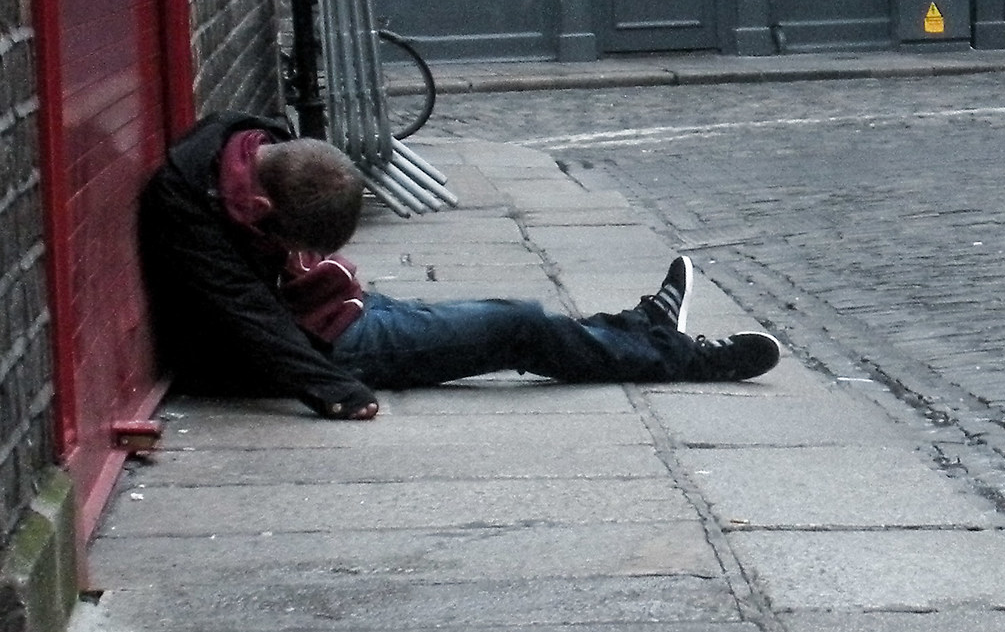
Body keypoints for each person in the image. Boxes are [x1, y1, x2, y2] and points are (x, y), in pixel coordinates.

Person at [138, 112, 779, 420]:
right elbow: (248, 317)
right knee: (513, 325)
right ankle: (685, 358)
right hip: (326, 345)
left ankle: (638, 330)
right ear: (266, 211)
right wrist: (336, 392)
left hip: (330, 309)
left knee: (501, 320)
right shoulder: (191, 212)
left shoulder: (247, 146)